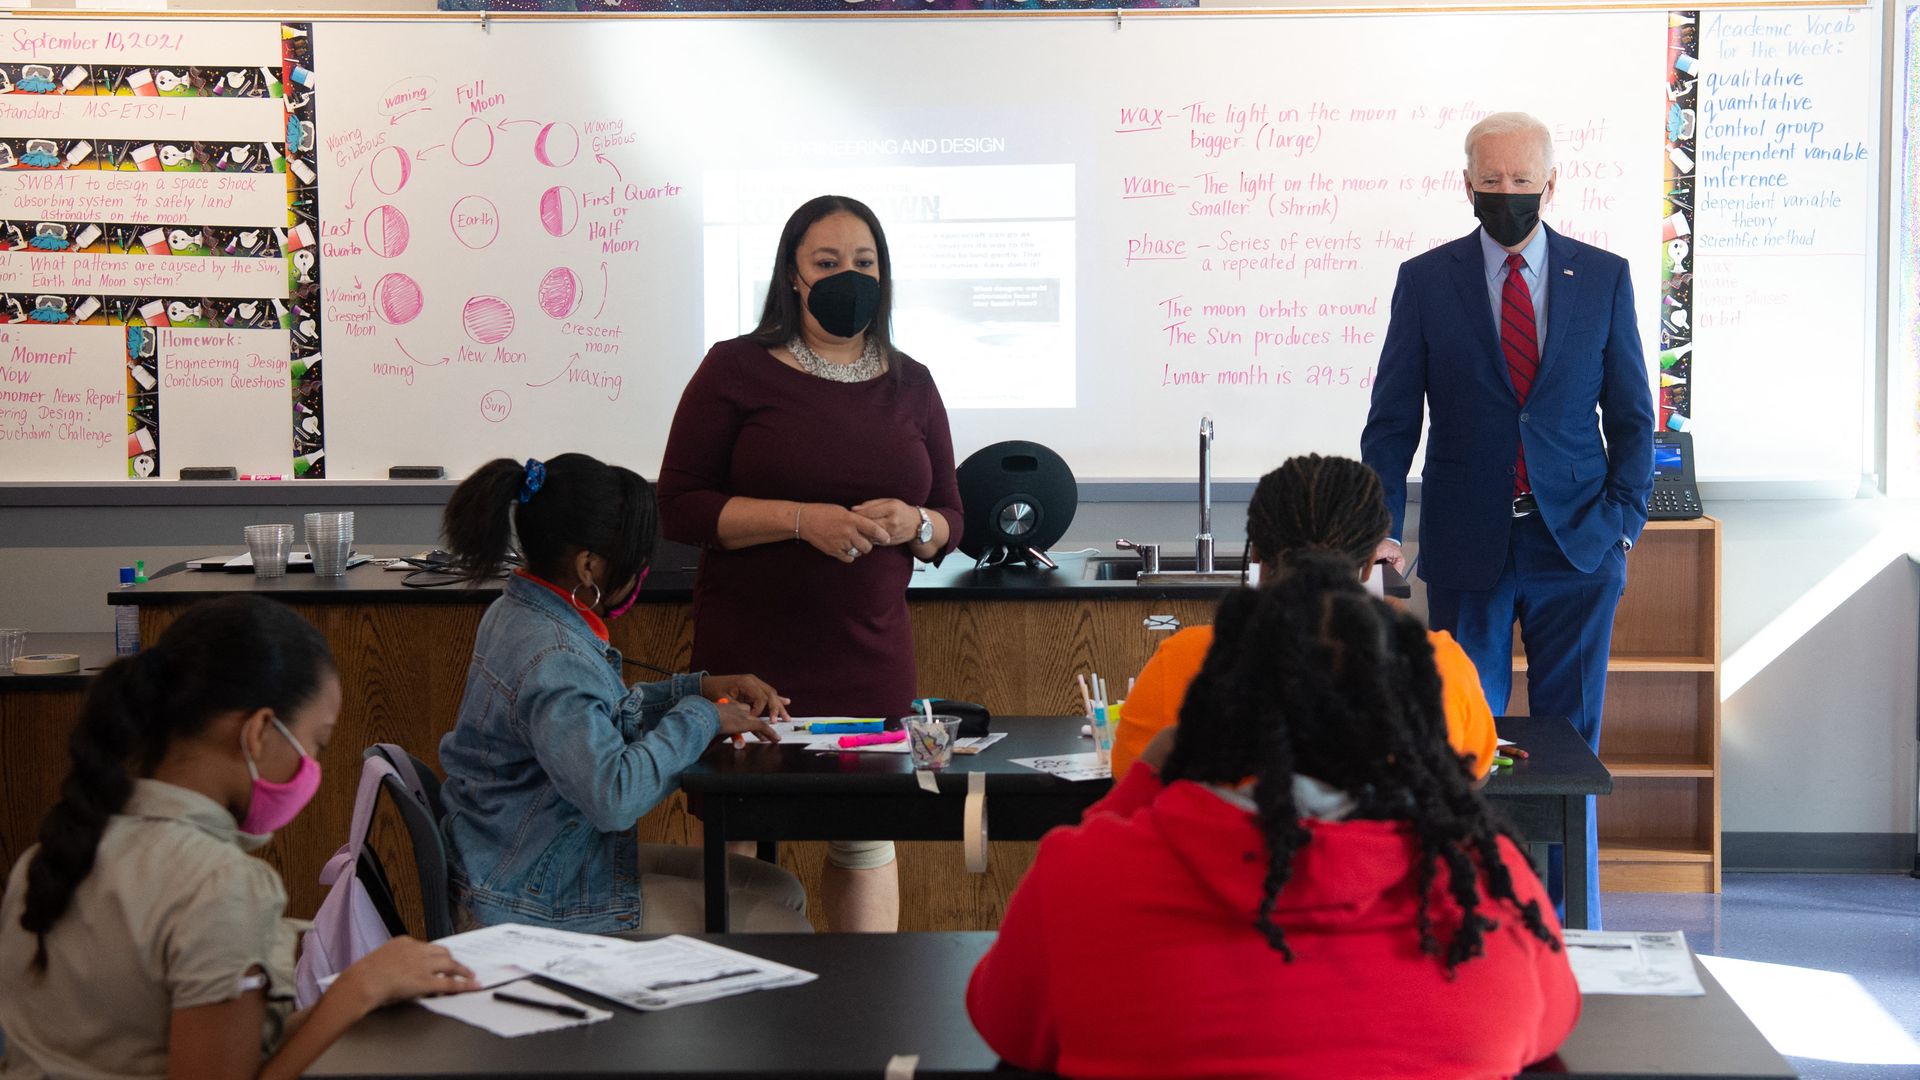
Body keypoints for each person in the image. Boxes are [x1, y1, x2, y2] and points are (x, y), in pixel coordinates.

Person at [967, 558, 1579, 1079]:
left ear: (1220, 707)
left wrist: (1138, 790)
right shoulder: (1488, 890)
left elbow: (1004, 1022)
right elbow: (1554, 1020)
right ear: (1403, 718)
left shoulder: (1086, 878)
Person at [1361, 111, 1654, 923]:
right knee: (1465, 739)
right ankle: (1472, 918)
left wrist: (1623, 524)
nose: (1507, 196)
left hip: (1578, 545)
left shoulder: (1602, 276)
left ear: (1550, 185)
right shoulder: (1426, 280)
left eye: (1522, 183)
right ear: (1467, 184)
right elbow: (1392, 423)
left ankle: (1568, 923)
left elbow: (1633, 416)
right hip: (1466, 545)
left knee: (1571, 745)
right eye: (1491, 182)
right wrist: (1379, 525)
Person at [0, 595, 478, 1080]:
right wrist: (358, 991)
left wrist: (351, 994)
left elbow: (216, 1049)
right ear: (258, 733)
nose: (312, 768)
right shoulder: (219, 885)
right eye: (316, 744)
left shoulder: (49, 856)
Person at [658, 195, 963, 932]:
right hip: (752, 661)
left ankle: (861, 1018)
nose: (846, 277)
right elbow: (681, 507)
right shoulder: (735, 369)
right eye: (826, 263)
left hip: (869, 655)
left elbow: (954, 518)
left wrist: (915, 522)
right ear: (792, 276)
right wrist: (800, 522)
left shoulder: (912, 382)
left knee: (864, 837)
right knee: (740, 831)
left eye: (863, 263)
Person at [436, 454, 811, 933]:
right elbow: (614, 796)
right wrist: (702, 717)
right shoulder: (555, 657)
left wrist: (694, 689)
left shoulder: (521, 610)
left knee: (781, 890)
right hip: (531, 895)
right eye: (636, 563)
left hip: (523, 858)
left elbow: (594, 719)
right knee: (785, 928)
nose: (639, 575)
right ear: (588, 566)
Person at [1112, 454, 1497, 785]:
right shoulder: (1439, 666)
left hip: (1222, 870)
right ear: (1368, 566)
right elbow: (1468, 778)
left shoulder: (1185, 662)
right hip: (1392, 872)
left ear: (1258, 556)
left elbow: (1129, 781)